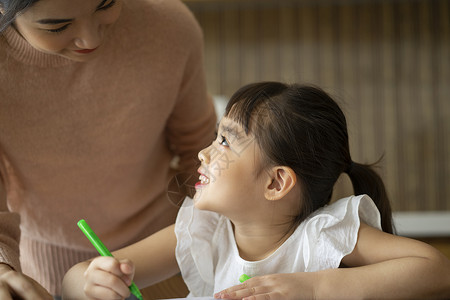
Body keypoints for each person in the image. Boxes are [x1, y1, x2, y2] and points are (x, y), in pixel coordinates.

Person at [62, 81, 450, 299]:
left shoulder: (322, 235)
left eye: (225, 142)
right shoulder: (205, 231)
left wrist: (316, 288)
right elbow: (73, 278)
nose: (203, 152)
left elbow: (435, 268)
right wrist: (91, 282)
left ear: (275, 182)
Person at [0, 0, 217, 298]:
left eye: (106, 5)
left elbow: (198, 145)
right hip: (47, 263)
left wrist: (222, 231)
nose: (91, 40)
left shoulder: (168, 26)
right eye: (57, 26)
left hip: (167, 247)